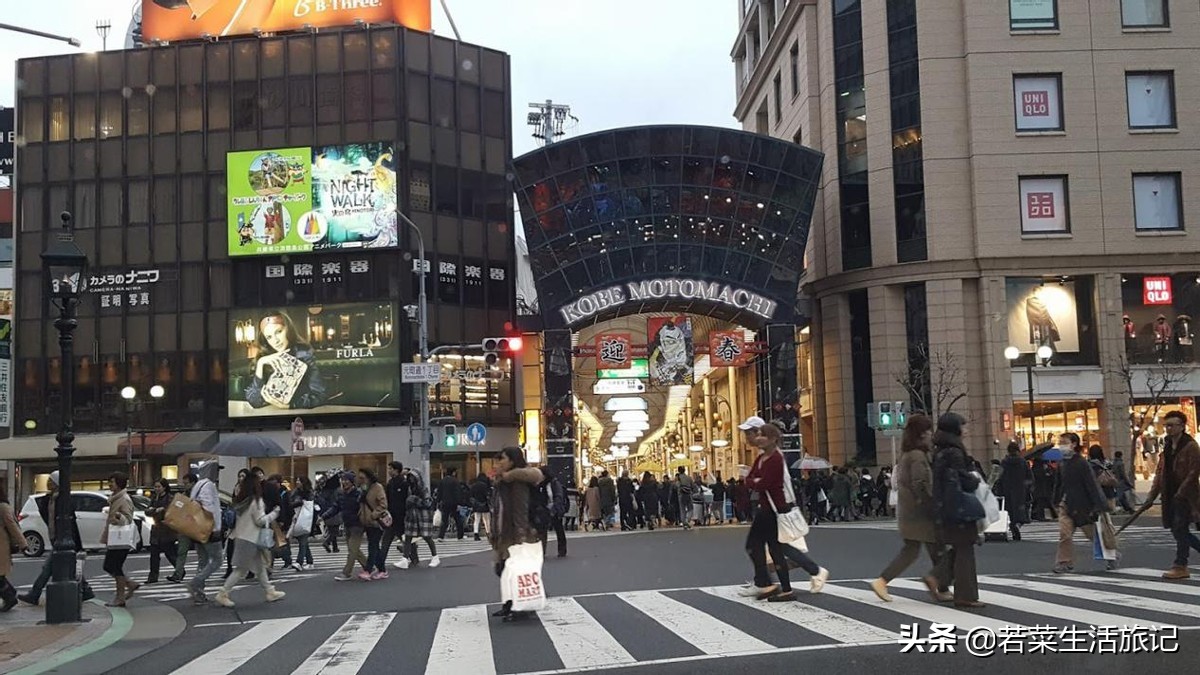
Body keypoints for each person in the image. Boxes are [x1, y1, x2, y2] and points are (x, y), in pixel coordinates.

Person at [742, 422, 826, 601]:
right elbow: (750, 479)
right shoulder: (762, 457)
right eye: (758, 434)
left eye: (762, 434)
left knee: (759, 545)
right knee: (775, 547)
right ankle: (782, 586)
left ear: (773, 438)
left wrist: (754, 482)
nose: (758, 438)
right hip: (766, 508)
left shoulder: (776, 459)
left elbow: (765, 483)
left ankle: (770, 584)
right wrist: (754, 481)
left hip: (774, 509)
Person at [870, 414, 948, 603]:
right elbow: (920, 483)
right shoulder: (917, 456)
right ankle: (939, 584)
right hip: (920, 513)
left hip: (910, 512)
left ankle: (940, 586)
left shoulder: (907, 454)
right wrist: (931, 503)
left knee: (918, 550)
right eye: (928, 431)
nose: (931, 434)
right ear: (921, 434)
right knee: (938, 549)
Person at [1135, 410, 1200, 580]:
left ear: (1182, 426)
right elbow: (1160, 473)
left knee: (1180, 528)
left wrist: (1181, 492)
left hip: (1186, 496)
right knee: (1177, 529)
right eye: (1166, 425)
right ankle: (1181, 564)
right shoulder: (1167, 445)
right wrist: (1151, 497)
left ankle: (1180, 565)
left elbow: (1194, 473)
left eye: (1172, 425)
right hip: (1169, 493)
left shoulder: (1191, 446)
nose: (1168, 428)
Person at [931, 413, 983, 608]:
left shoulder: (940, 450)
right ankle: (966, 595)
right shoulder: (955, 452)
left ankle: (937, 579)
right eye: (963, 425)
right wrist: (974, 479)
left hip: (944, 505)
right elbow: (959, 480)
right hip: (957, 506)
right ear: (955, 428)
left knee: (955, 547)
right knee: (964, 549)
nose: (966, 429)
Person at [19, 471, 92, 606]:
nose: (48, 483)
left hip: (63, 539)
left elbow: (71, 521)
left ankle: (34, 594)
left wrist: (75, 542)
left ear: (57, 484)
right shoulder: (50, 499)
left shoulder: (63, 499)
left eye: (51, 481)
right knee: (68, 566)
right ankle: (86, 590)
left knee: (48, 568)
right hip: (56, 537)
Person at [214, 472, 286, 608]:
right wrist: (274, 513)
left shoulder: (242, 501)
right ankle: (223, 593)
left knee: (259, 568)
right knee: (241, 569)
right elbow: (260, 521)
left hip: (242, 536)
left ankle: (270, 591)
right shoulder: (256, 501)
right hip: (251, 538)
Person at [489, 447, 544, 622]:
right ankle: (510, 604)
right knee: (504, 570)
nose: (499, 464)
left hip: (515, 533)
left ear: (513, 461)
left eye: (502, 460)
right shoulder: (502, 481)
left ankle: (520, 607)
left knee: (513, 571)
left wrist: (521, 535)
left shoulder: (516, 481)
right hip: (504, 532)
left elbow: (521, 509)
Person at [1053, 433, 1112, 574]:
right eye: (1060, 442)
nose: (1061, 445)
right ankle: (1064, 561)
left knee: (1093, 535)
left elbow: (1092, 484)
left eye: (1064, 442)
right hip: (1066, 504)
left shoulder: (1081, 463)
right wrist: (1056, 500)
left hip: (1083, 505)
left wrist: (1098, 505)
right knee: (1064, 533)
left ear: (1074, 444)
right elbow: (1058, 484)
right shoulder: (1062, 463)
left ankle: (1111, 555)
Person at [244, 311, 327, 410]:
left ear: (288, 330)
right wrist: (260, 364)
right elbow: (254, 401)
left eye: (278, 332)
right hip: (270, 416)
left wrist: (291, 405)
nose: (275, 341)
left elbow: (320, 395)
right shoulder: (264, 359)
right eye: (269, 337)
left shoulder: (304, 355)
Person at [183, 471, 223, 606]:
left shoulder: (197, 486)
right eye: (217, 471)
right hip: (209, 529)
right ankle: (196, 582)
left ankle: (199, 593)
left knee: (203, 560)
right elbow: (208, 507)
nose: (218, 474)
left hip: (197, 528)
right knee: (217, 560)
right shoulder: (209, 486)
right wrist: (215, 525)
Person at [102, 472, 139, 607]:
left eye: (112, 482)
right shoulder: (115, 498)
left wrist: (118, 517)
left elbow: (128, 519)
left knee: (113, 566)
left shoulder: (124, 499)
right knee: (112, 566)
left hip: (120, 538)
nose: (110, 485)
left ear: (119, 483)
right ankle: (129, 585)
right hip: (116, 538)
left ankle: (120, 597)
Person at [325, 472, 369, 581]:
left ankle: (347, 573)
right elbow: (336, 507)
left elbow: (365, 506)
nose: (344, 482)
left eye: (346, 480)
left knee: (352, 550)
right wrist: (324, 516)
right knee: (354, 549)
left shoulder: (358, 494)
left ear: (352, 482)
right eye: (343, 480)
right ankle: (369, 567)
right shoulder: (341, 494)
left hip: (358, 525)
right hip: (347, 524)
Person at [397, 470, 440, 569]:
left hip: (422, 516)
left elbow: (427, 503)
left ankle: (435, 556)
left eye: (412, 477)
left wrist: (414, 500)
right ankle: (404, 559)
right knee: (408, 537)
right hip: (412, 516)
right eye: (410, 477)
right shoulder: (409, 488)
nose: (411, 479)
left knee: (427, 537)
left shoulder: (423, 489)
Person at [144, 478, 178, 584]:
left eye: (159, 486)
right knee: (154, 555)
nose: (157, 489)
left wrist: (160, 510)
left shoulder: (170, 498)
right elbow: (147, 511)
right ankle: (153, 576)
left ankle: (180, 571)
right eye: (155, 487)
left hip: (167, 530)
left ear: (164, 487)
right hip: (156, 529)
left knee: (170, 553)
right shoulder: (154, 498)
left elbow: (171, 511)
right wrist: (154, 510)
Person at [996, 442, 1032, 541]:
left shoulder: (1004, 462)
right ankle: (1018, 524)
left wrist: (999, 490)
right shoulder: (1022, 462)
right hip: (1020, 490)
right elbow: (1029, 476)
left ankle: (1013, 528)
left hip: (1007, 490)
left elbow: (1000, 477)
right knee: (1021, 511)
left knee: (1010, 511)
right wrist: (1028, 486)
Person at [358, 468, 389, 580]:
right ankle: (382, 570)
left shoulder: (377, 488)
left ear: (369, 477)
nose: (360, 480)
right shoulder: (364, 488)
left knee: (372, 546)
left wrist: (374, 515)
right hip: (367, 522)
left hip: (376, 522)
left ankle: (368, 570)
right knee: (375, 547)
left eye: (362, 478)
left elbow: (383, 504)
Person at [0, 482, 27, 611]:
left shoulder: (3, 507)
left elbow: (13, 527)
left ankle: (10, 597)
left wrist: (23, 543)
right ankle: (10, 595)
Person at [537, 466, 568, 558]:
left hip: (554, 508)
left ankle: (562, 549)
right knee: (542, 531)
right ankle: (542, 550)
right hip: (544, 509)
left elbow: (558, 496)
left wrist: (555, 508)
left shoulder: (554, 483)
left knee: (559, 529)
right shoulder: (539, 484)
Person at [381, 463, 409, 563]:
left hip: (401, 516)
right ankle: (381, 560)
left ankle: (414, 557)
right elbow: (387, 498)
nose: (389, 471)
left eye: (390, 469)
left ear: (396, 470)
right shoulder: (390, 483)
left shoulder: (404, 483)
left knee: (406, 538)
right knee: (387, 538)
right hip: (392, 516)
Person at [290, 476, 316, 571]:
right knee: (303, 542)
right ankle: (310, 561)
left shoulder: (309, 493)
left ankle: (299, 562)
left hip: (306, 519)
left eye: (299, 480)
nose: (297, 482)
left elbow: (310, 504)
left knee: (303, 541)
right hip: (298, 517)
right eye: (297, 480)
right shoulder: (295, 492)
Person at [437, 467, 465, 540]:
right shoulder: (455, 481)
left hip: (445, 502)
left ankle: (441, 536)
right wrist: (459, 503)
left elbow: (439, 492)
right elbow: (458, 493)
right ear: (453, 472)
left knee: (444, 520)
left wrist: (438, 501)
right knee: (458, 519)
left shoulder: (442, 481)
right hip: (454, 503)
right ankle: (460, 535)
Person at [470, 473, 493, 541]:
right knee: (486, 520)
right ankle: (488, 533)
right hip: (484, 504)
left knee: (477, 520)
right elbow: (488, 495)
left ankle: (476, 533)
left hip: (476, 505)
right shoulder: (485, 486)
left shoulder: (473, 486)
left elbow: (471, 495)